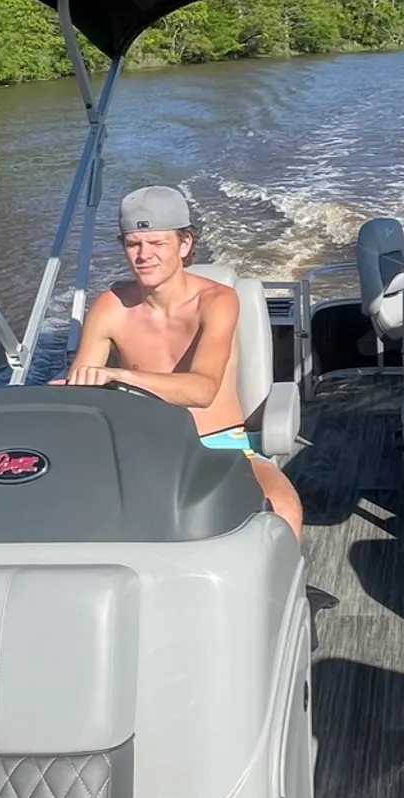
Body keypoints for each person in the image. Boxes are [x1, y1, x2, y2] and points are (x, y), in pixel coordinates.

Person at [58, 184, 303, 539]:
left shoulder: (217, 300)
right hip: (141, 448)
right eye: (133, 244)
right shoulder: (110, 306)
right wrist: (71, 389)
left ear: (184, 245)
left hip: (221, 447)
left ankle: (287, 588)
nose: (144, 255)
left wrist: (117, 375)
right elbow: (83, 388)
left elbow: (202, 390)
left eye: (157, 244)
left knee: (284, 511)